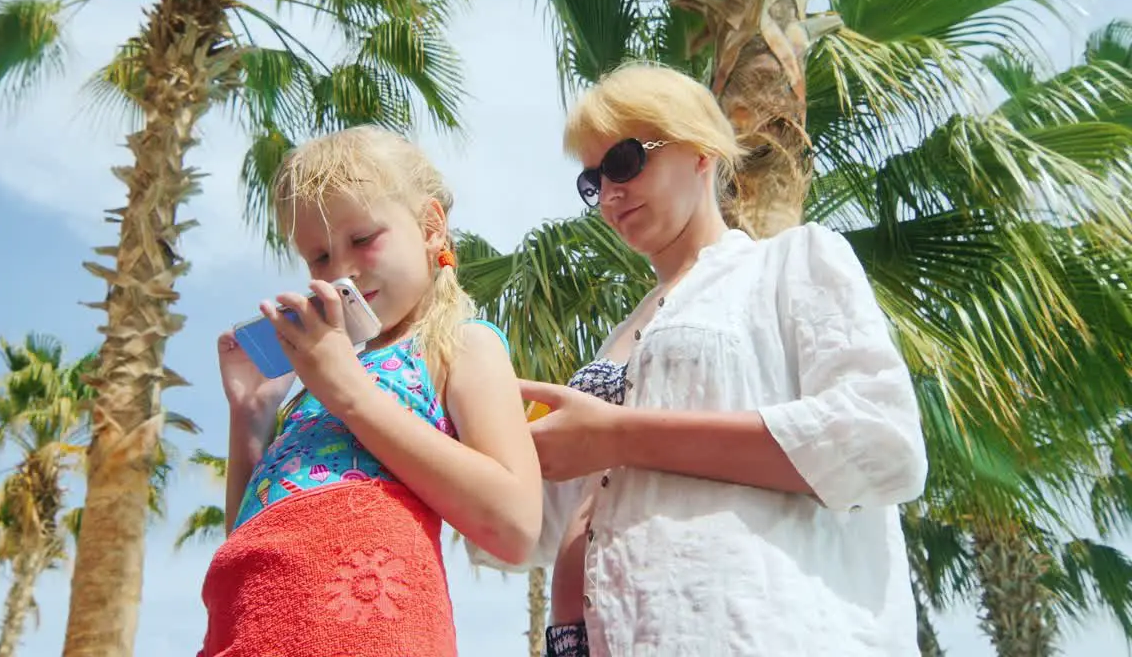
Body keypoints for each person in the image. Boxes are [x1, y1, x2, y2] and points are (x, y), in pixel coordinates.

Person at [469, 63, 929, 656]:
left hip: (749, 630)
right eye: (591, 181)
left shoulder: (791, 264)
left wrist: (620, 435)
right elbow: (531, 526)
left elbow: (879, 442)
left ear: (701, 151)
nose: (609, 193)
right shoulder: (618, 335)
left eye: (626, 162)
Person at [199, 125, 543, 657]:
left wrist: (349, 392)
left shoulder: (460, 345)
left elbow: (516, 524)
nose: (342, 272)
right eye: (318, 257)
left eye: (362, 239)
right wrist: (250, 413)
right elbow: (249, 539)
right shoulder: (321, 382)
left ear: (431, 227)